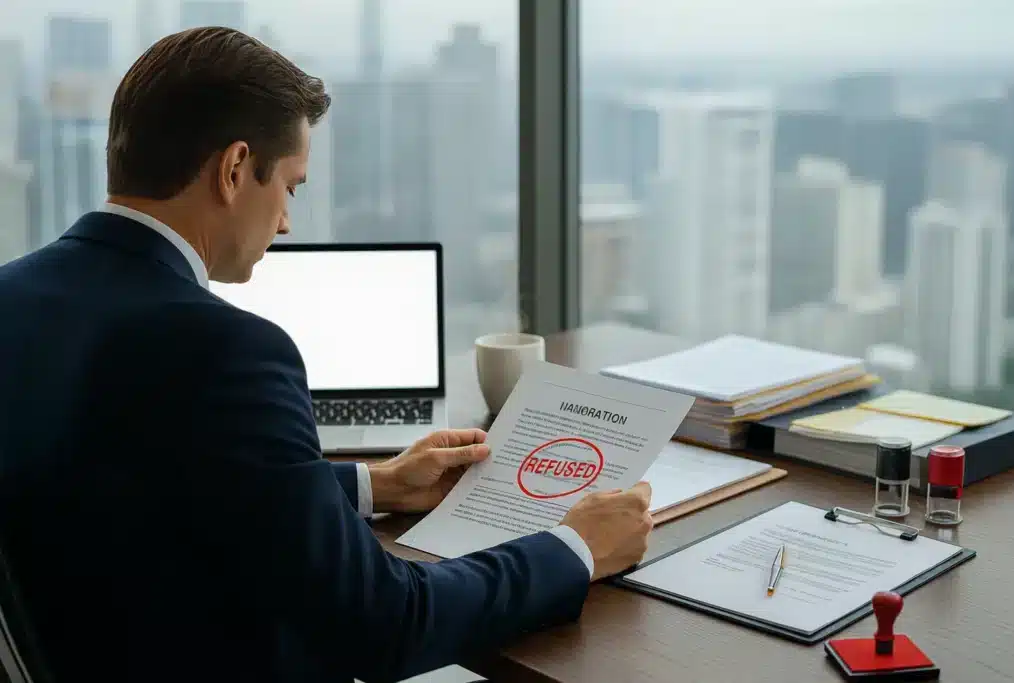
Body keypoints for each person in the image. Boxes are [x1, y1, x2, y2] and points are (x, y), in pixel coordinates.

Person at [0, 26, 654, 683]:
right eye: (291, 186)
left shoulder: (13, 295)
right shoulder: (229, 350)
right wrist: (575, 548)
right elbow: (384, 623)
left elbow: (124, 479)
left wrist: (376, 483)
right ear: (234, 170)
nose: (286, 220)